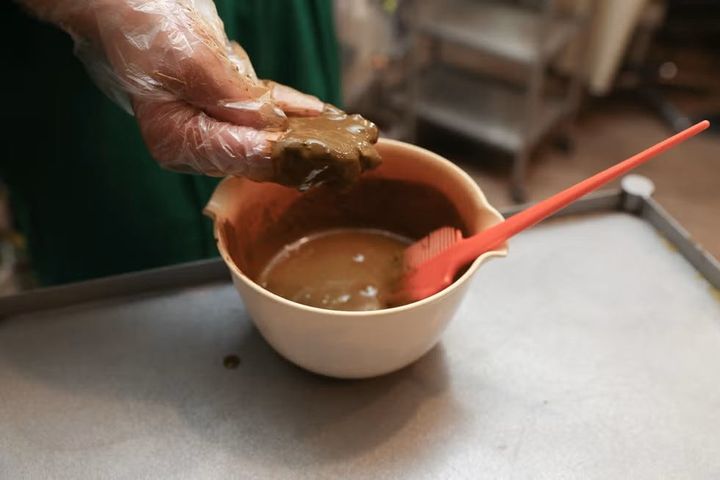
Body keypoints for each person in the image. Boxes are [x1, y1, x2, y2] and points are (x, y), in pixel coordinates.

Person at [1, 0, 342, 285]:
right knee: (125, 247)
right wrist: (124, 11)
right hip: (66, 63)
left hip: (272, 12)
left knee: (313, 176)